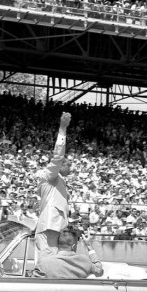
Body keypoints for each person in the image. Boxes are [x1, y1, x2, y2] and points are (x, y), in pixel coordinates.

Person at [35, 112, 72, 259]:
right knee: (48, 262)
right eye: (68, 165)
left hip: (56, 225)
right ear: (60, 166)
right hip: (50, 224)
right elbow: (58, 156)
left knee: (53, 261)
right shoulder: (50, 175)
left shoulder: (59, 180)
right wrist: (62, 129)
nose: (71, 168)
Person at [33, 227, 103, 279]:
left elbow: (33, 284)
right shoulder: (85, 261)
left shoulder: (44, 263)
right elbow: (99, 271)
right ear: (73, 246)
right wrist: (88, 245)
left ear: (58, 244)